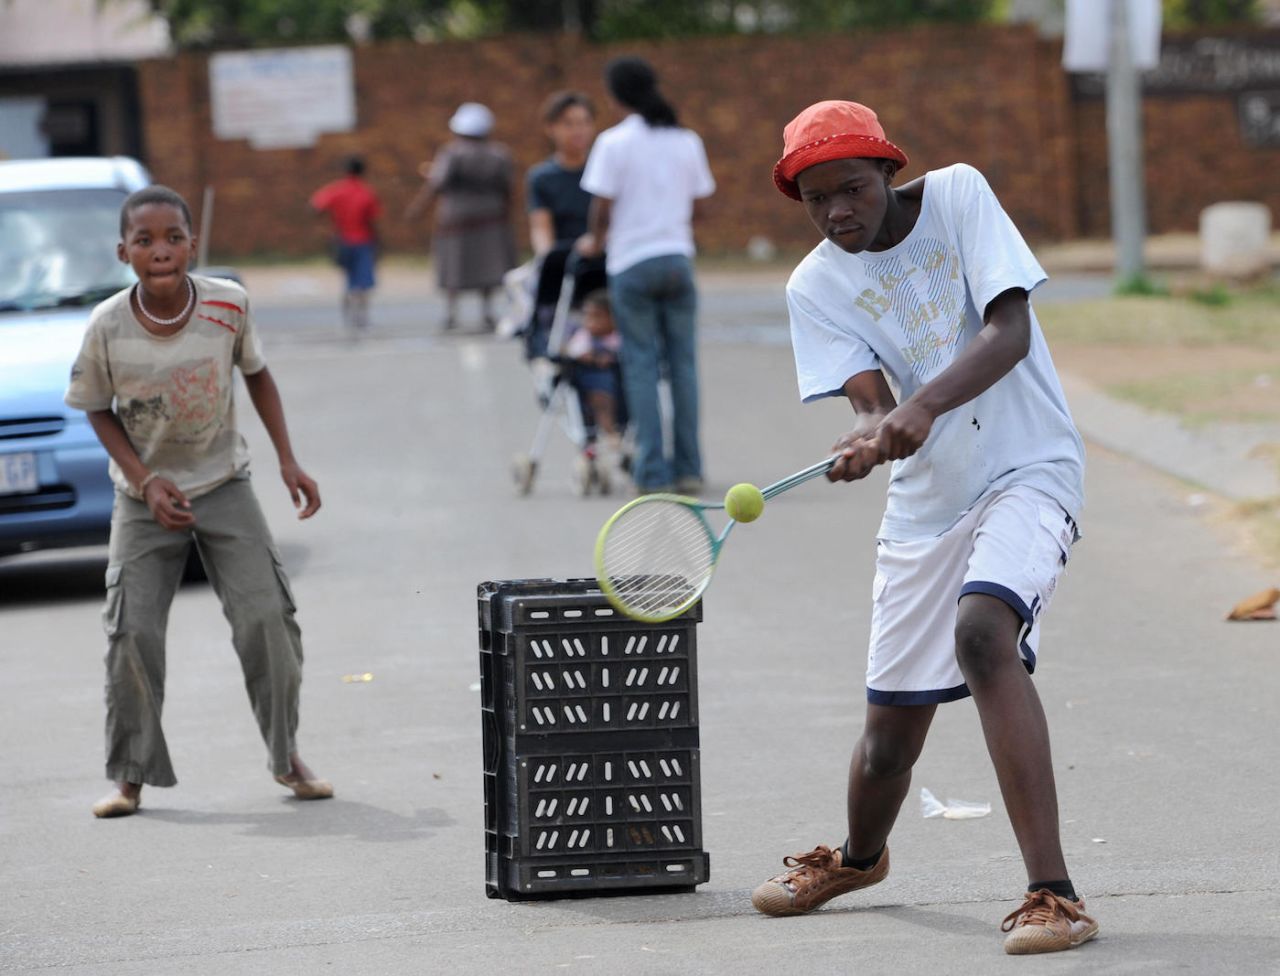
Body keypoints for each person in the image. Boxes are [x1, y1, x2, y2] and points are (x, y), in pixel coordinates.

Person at [751, 101, 1095, 956]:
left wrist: (923, 404)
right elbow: (870, 400)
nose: (837, 212)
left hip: (1029, 466)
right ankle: (859, 858)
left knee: (985, 634)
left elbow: (1008, 332)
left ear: (889, 175)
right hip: (926, 506)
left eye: (852, 189)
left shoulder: (959, 199)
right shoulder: (814, 284)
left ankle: (1054, 894)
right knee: (887, 740)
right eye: (815, 199)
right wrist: (868, 435)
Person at [64, 185, 333, 818]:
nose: (161, 250)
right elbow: (96, 410)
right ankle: (131, 774)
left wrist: (287, 459)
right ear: (123, 250)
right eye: (145, 240)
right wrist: (145, 479)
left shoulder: (227, 305)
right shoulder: (106, 324)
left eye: (173, 238)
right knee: (132, 631)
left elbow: (257, 374)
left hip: (222, 485)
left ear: (192, 244)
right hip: (142, 499)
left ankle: (286, 753)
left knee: (267, 617)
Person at [580, 57, 715, 495]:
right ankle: (690, 467)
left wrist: (595, 240)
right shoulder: (686, 140)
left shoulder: (613, 143)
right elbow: (699, 204)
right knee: (683, 367)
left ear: (615, 95)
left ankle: (652, 471)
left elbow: (601, 205)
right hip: (677, 258)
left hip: (631, 263)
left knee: (639, 365)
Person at [405, 102, 516, 330]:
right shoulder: (500, 154)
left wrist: (417, 208)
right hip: (491, 217)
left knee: (454, 262)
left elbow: (438, 183)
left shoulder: (452, 152)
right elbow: (507, 188)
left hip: (456, 217)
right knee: (488, 262)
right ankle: (487, 313)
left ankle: (451, 314)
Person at [310, 155, 382, 331]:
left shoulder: (336, 190)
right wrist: (379, 241)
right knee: (362, 282)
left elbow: (314, 207)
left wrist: (327, 227)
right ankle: (361, 318)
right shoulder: (366, 192)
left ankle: (348, 318)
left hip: (342, 240)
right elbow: (373, 220)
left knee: (349, 279)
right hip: (363, 241)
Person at [527, 91, 596, 258]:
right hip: (564, 260)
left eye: (584, 122)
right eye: (568, 124)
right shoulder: (542, 177)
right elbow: (541, 228)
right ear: (551, 128)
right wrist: (548, 259)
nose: (578, 130)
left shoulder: (603, 169)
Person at [563, 288, 623, 446]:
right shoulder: (584, 336)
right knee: (599, 393)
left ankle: (616, 434)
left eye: (597, 317)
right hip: (593, 382)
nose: (590, 322)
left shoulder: (619, 338)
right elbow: (573, 351)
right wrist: (592, 357)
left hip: (620, 383)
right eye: (587, 316)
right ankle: (609, 431)